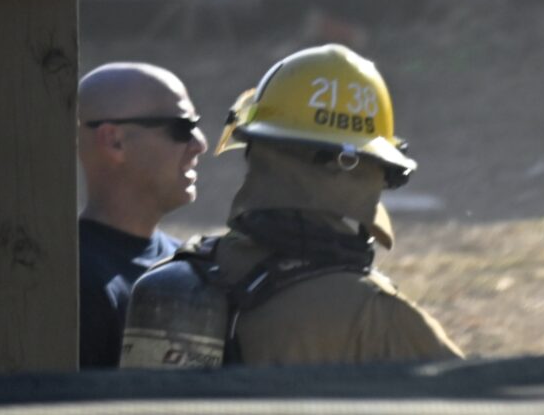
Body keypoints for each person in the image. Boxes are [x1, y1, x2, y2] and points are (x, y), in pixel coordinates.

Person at [120, 44, 462, 368]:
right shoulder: (378, 316)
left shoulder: (180, 277)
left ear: (255, 149)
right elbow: (471, 394)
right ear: (354, 168)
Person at [77, 62, 208, 368]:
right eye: (182, 128)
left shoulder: (189, 264)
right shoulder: (71, 281)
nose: (200, 144)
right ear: (115, 141)